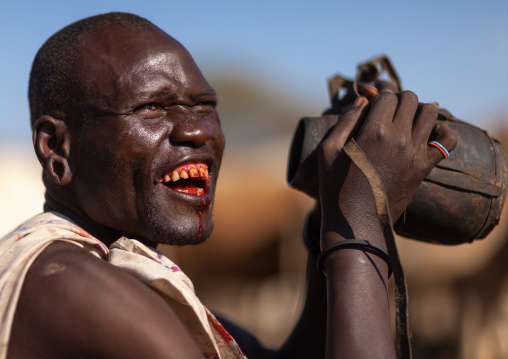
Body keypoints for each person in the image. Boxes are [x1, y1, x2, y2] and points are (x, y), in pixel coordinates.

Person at [0, 12, 456, 359]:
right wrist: (358, 226)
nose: (197, 132)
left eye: (205, 105)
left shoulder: (123, 273)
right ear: (56, 147)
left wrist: (330, 213)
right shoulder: (68, 286)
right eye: (153, 108)